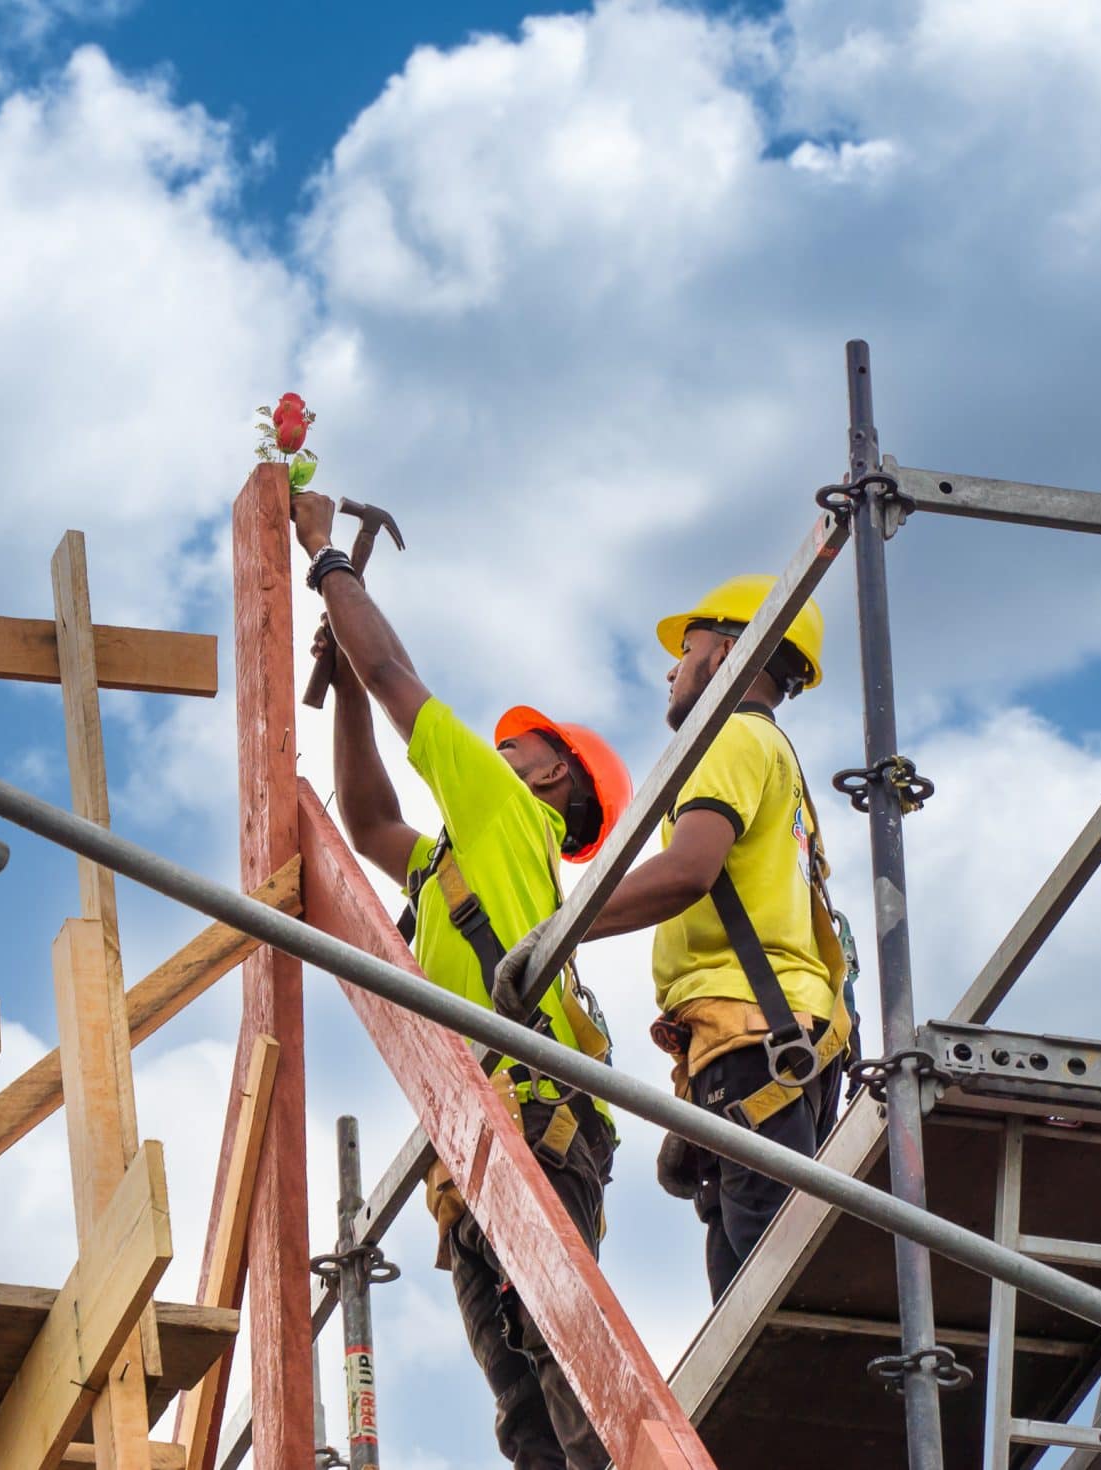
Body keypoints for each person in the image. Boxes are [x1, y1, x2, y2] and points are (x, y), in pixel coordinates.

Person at [291, 489, 631, 1470]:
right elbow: (367, 825)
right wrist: (348, 690)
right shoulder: (458, 865)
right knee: (527, 1418)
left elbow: (395, 671)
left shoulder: (503, 809)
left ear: (551, 777)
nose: (500, 741)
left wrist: (324, 555)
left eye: (521, 739)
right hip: (482, 1149)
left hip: (530, 1124)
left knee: (570, 1386)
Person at [520, 575, 860, 1300]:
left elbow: (688, 870)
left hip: (752, 1038)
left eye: (688, 647)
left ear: (730, 651)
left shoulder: (729, 733)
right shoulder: (774, 754)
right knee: (742, 1285)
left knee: (767, 1285)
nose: (673, 668)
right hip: (775, 1042)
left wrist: (558, 932)